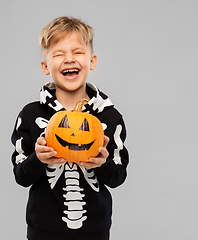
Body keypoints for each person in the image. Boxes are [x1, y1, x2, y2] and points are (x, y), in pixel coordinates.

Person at [11, 16, 129, 240]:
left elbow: (118, 177)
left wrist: (103, 164)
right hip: (42, 232)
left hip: (95, 231)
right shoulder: (30, 115)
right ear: (46, 66)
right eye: (59, 54)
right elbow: (20, 176)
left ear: (92, 61)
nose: (69, 59)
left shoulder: (110, 117)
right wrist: (37, 158)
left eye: (77, 52)